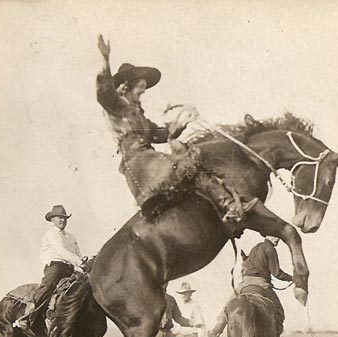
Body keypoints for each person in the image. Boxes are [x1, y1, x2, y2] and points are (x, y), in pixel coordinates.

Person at [96, 35, 247, 222]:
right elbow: (104, 92)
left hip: (148, 159)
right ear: (127, 87)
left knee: (189, 168)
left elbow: (159, 134)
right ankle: (227, 203)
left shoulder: (138, 115)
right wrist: (105, 59)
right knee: (188, 163)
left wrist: (182, 123)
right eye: (141, 87)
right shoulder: (117, 106)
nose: (143, 91)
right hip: (139, 162)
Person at [208, 236, 292, 337]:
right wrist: (292, 278)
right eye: (273, 235)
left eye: (278, 236)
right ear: (266, 235)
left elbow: (246, 263)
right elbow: (276, 273)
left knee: (228, 306)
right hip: (261, 284)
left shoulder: (255, 249)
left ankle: (217, 328)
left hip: (244, 285)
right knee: (279, 312)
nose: (277, 239)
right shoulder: (270, 249)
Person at [14, 205, 84, 329]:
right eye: (59, 218)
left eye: (64, 218)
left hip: (69, 268)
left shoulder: (71, 237)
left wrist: (83, 266)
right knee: (48, 287)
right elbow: (62, 252)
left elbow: (77, 253)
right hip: (55, 267)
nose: (62, 220)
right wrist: (80, 262)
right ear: (52, 220)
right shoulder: (51, 234)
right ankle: (27, 317)